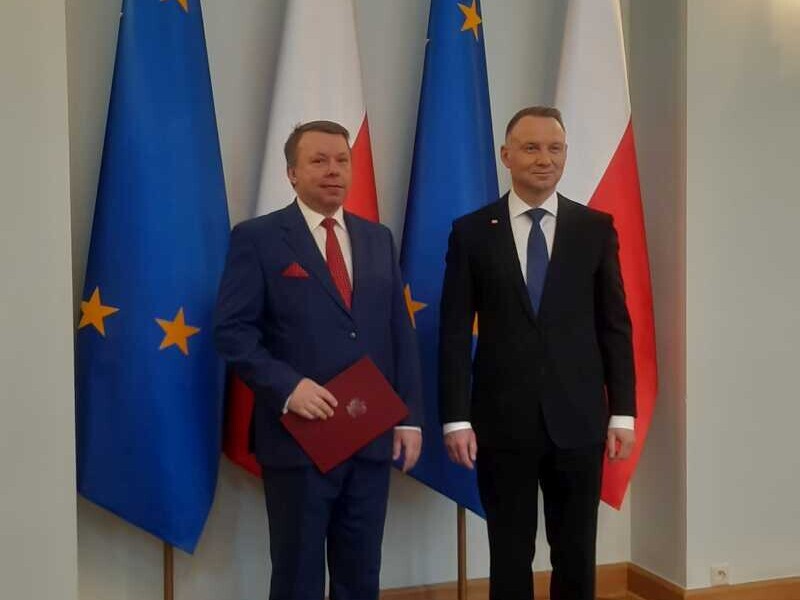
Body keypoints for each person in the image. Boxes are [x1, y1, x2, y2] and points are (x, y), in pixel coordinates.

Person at [214, 120, 423, 600]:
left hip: (370, 436)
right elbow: (231, 332)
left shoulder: (378, 238)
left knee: (361, 575)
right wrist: (288, 387)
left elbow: (399, 332)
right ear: (292, 172)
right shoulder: (258, 238)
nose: (333, 170)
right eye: (318, 160)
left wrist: (409, 417)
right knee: (298, 578)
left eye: (342, 160)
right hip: (299, 440)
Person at [439, 106, 636, 600]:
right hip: (501, 422)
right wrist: (456, 418)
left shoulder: (594, 228)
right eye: (531, 148)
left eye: (555, 148)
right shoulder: (471, 232)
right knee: (509, 553)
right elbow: (455, 332)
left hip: (579, 422)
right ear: (506, 155)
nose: (544, 159)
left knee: (576, 551)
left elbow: (614, 326)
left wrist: (623, 412)